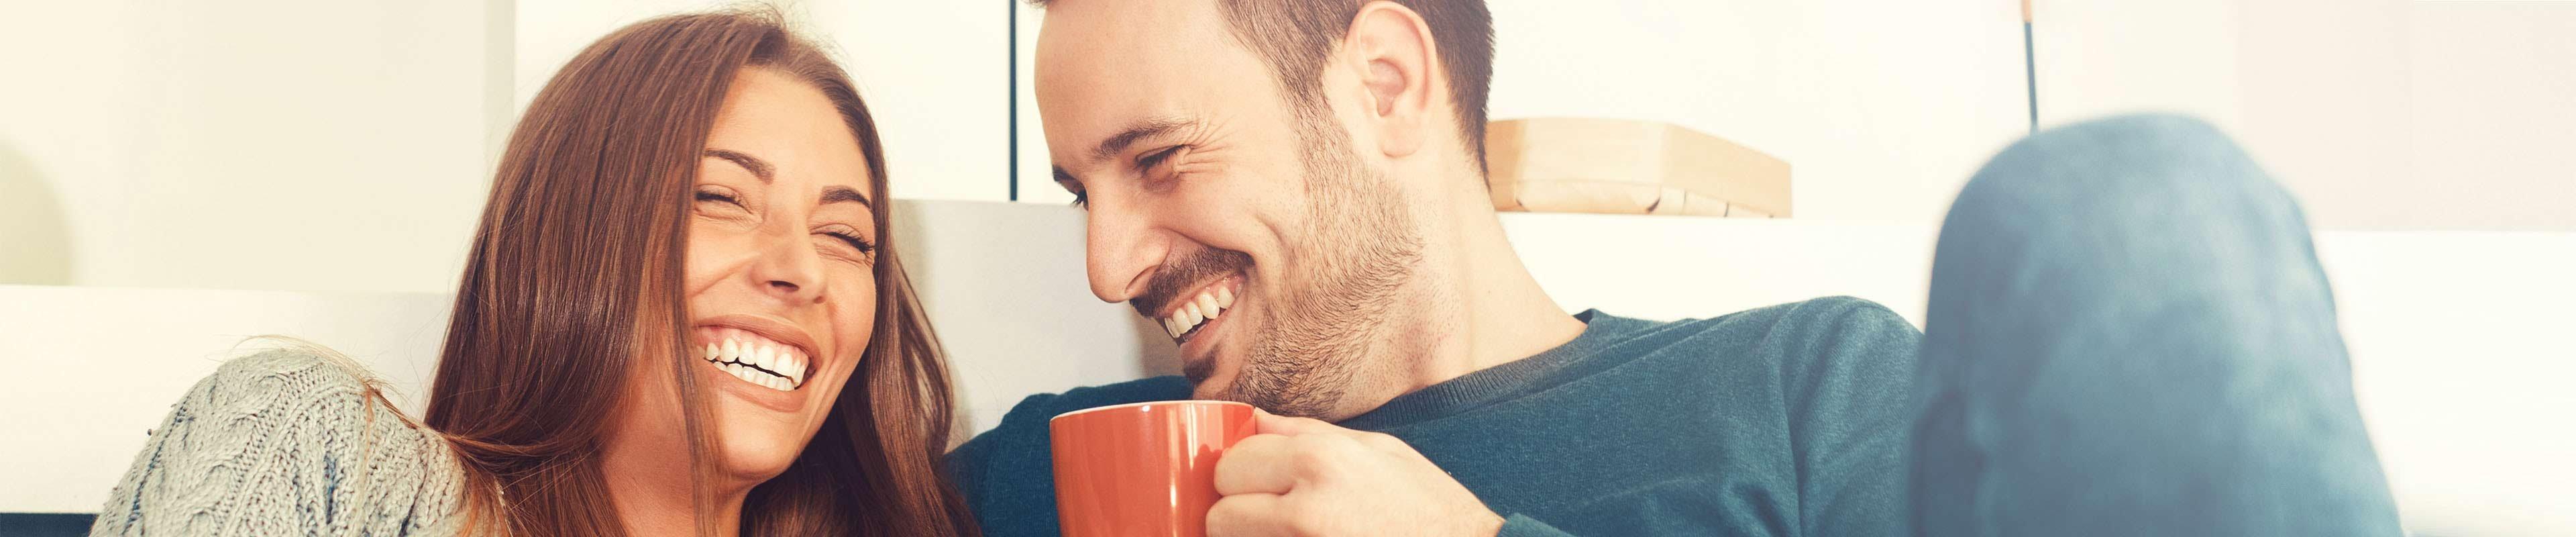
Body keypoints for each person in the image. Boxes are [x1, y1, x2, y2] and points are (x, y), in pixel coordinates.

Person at [949, 0, 2401, 535]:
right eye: (1083, 188)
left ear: (1386, 84)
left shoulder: (1803, 390)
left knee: (2123, 198)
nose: (1104, 259)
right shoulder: (1057, 471)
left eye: (1159, 160)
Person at [91, 11, 979, 536]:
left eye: (846, 237)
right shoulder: (317, 453)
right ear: (574, 234)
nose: (801, 271)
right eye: (720, 196)